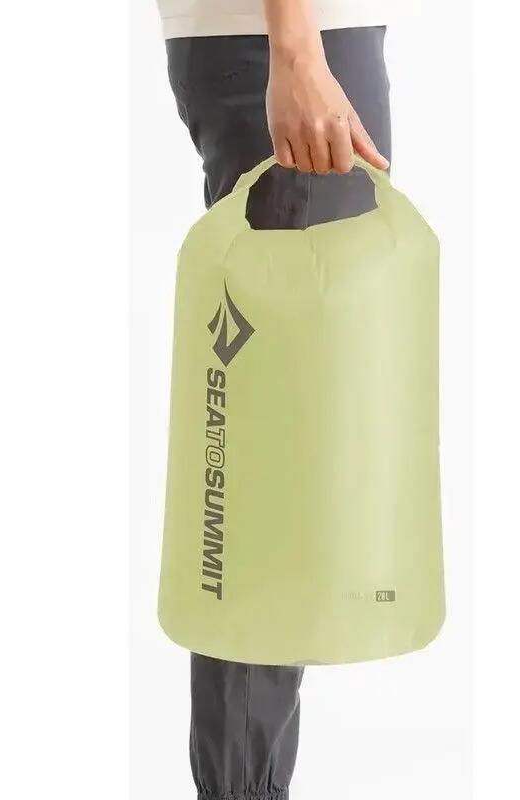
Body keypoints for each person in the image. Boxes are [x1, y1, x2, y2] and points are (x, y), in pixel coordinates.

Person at [157, 1, 392, 797]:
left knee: (281, 458)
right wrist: (295, 50)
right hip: (285, 43)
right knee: (270, 473)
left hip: (293, 41)